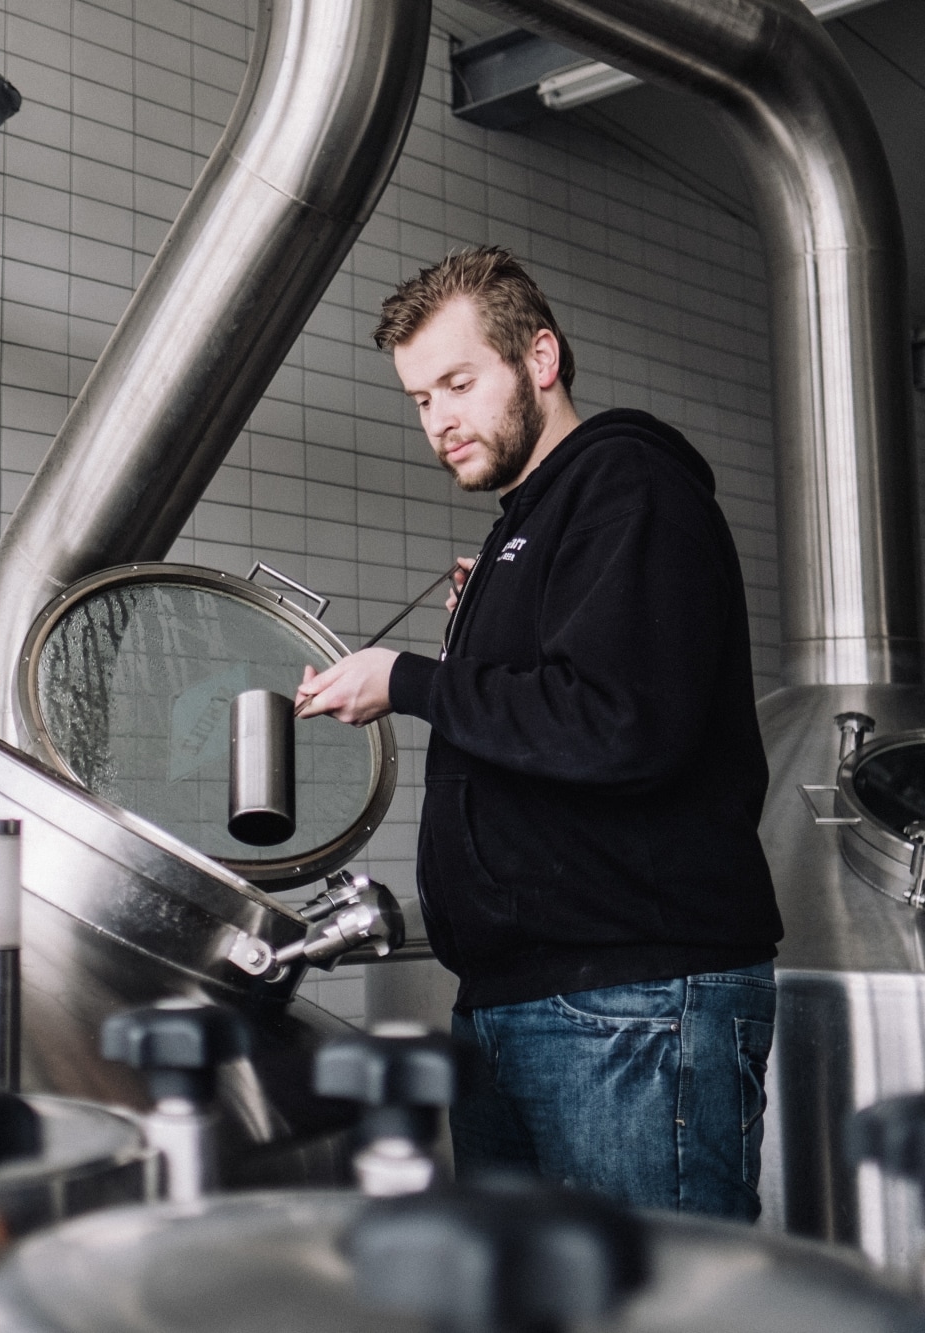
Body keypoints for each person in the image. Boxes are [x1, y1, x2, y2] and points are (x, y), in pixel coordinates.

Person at [294, 246, 782, 1220]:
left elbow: (618, 726)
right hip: (518, 1002)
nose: (437, 419)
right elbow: (556, 698)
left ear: (540, 358)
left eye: (457, 383)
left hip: (629, 1003)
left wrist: (408, 679)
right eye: (419, 398)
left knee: (655, 1306)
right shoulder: (535, 521)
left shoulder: (625, 482)